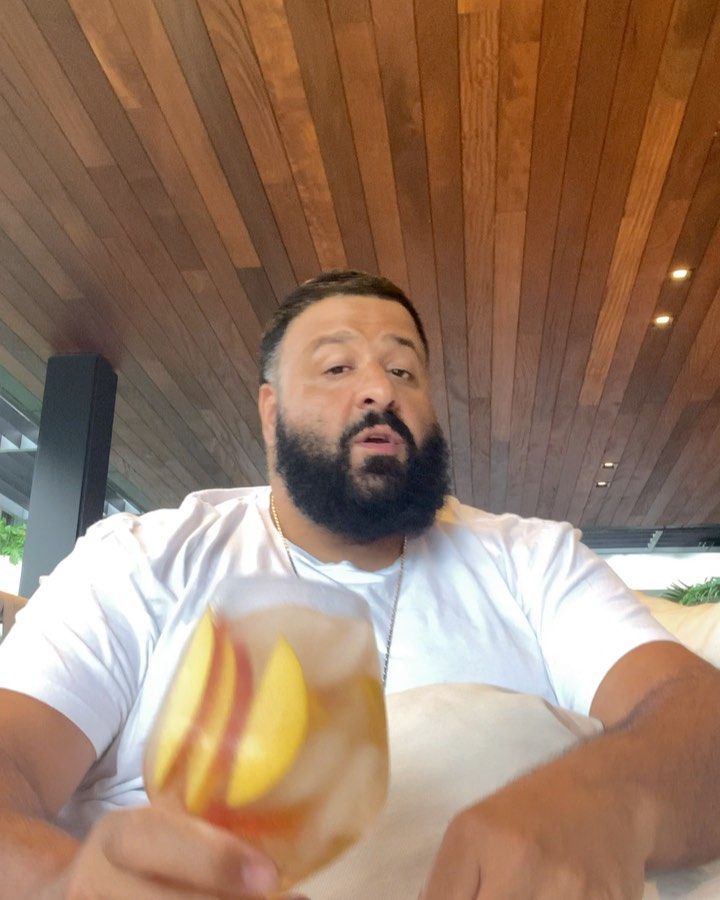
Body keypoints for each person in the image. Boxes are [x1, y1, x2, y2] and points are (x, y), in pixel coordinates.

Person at [0, 269, 719, 899]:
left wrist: (612, 804)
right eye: (338, 368)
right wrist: (60, 884)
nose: (380, 390)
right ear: (271, 412)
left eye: (405, 372)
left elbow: (694, 714)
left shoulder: (530, 561)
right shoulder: (142, 559)